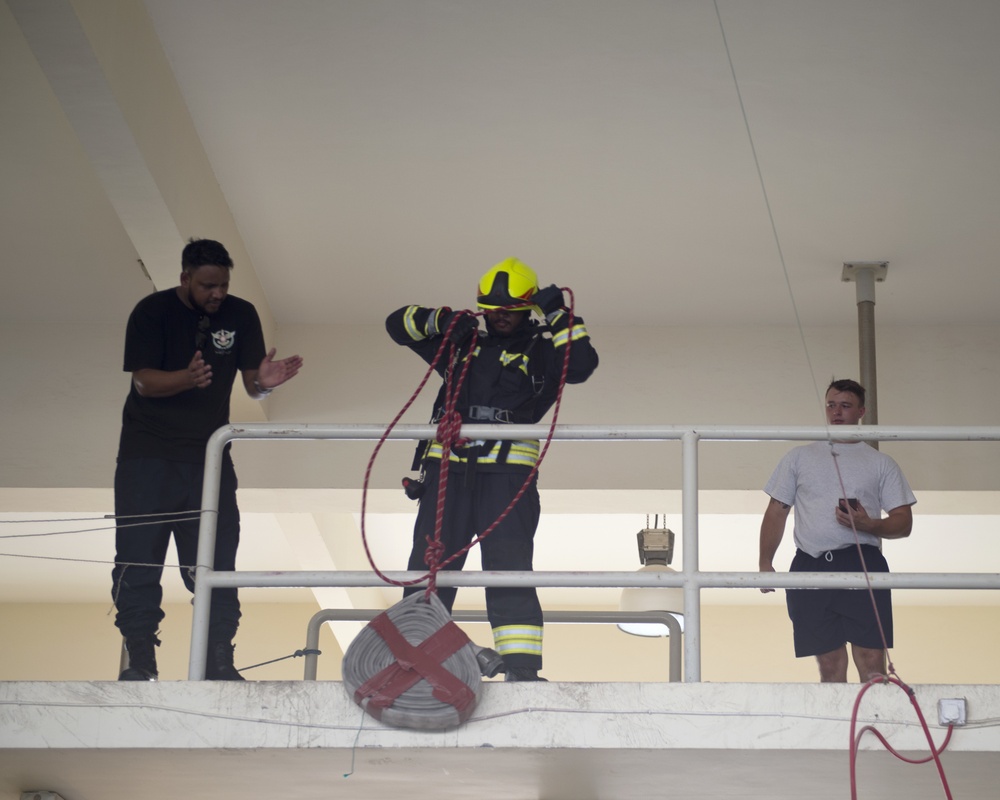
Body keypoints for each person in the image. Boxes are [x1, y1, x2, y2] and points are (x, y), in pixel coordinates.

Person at [386, 257, 599, 681]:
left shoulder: (543, 348)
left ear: (527, 308)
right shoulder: (462, 345)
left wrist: (559, 315)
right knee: (430, 570)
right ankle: (412, 661)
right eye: (492, 309)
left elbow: (581, 367)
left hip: (507, 477)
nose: (500, 317)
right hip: (448, 470)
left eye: (509, 310)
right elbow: (397, 325)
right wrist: (442, 321)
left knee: (508, 569)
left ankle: (520, 669)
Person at [112, 238, 303, 681]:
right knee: (138, 560)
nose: (216, 293)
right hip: (148, 459)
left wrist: (266, 384)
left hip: (210, 461)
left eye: (222, 284)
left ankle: (219, 661)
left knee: (216, 563)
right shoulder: (152, 312)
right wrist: (186, 377)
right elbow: (143, 383)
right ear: (185, 279)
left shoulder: (241, 313)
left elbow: (253, 384)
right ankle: (141, 661)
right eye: (207, 285)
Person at [758, 378, 916, 682]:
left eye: (845, 405)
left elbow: (903, 522)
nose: (837, 412)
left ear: (861, 411)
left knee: (872, 662)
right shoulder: (799, 457)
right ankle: (841, 729)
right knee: (829, 665)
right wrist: (766, 562)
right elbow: (777, 511)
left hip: (862, 561)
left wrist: (869, 524)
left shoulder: (881, 463)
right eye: (831, 405)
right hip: (809, 562)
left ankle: (873, 725)